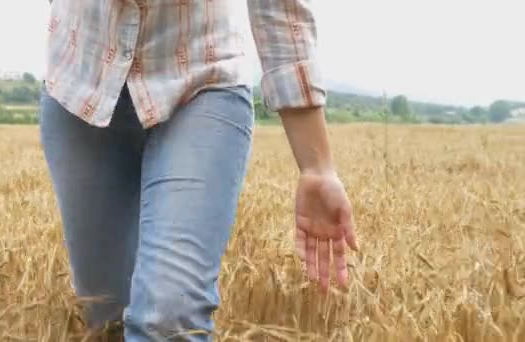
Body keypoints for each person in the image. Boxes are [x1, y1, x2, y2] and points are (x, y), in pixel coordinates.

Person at [39, 0, 359, 340]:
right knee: (105, 319)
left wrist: (317, 167)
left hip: (202, 77)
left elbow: (279, 8)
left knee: (169, 318)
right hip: (83, 81)